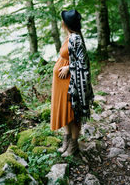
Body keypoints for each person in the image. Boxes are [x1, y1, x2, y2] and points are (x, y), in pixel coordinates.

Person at [50, 9, 94, 157]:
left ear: (66, 24)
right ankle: (67, 141)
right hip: (62, 84)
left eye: (63, 20)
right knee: (65, 112)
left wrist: (69, 67)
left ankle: (73, 145)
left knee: (73, 114)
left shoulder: (76, 39)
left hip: (71, 84)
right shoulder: (70, 37)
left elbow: (84, 62)